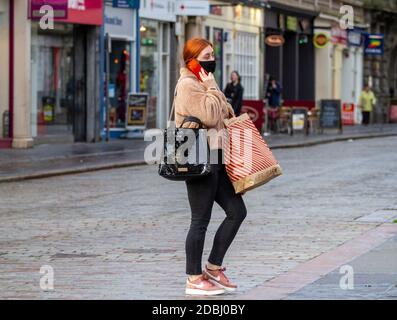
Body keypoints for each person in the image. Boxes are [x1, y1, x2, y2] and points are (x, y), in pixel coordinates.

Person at [174, 38, 247, 296]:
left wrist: (214, 93)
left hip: (217, 158)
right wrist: (213, 87)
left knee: (237, 211)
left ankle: (214, 267)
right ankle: (193, 278)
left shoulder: (202, 84)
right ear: (193, 60)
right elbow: (210, 116)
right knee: (200, 220)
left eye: (213, 54)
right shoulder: (188, 85)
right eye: (207, 55)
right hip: (198, 157)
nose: (212, 59)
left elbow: (225, 112)